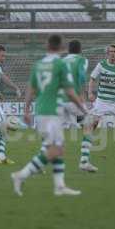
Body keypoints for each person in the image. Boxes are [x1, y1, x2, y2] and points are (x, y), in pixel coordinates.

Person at [11, 35, 87, 197]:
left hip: (40, 111)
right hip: (52, 112)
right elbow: (69, 90)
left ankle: (59, 186)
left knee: (56, 148)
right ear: (61, 48)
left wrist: (26, 110)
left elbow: (30, 89)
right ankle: (21, 175)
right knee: (57, 149)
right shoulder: (60, 64)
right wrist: (82, 107)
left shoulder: (38, 65)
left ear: (47, 46)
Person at [79, 44, 115, 171]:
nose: (112, 53)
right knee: (94, 122)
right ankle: (87, 147)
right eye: (110, 51)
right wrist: (90, 92)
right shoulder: (101, 65)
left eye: (114, 51)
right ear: (107, 53)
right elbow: (92, 79)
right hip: (101, 100)